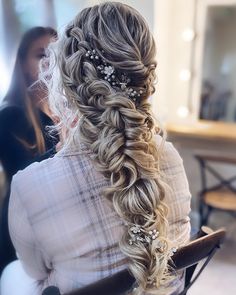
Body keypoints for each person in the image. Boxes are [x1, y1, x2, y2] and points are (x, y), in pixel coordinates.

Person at [1, 2, 191, 295]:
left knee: (13, 274)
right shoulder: (171, 157)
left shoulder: (30, 186)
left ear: (69, 78)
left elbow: (35, 271)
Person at [0, 26, 58, 274]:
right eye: (40, 54)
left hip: (55, 232)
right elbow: (27, 175)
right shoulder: (10, 116)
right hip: (21, 235)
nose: (49, 62)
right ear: (22, 63)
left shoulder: (62, 115)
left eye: (55, 55)